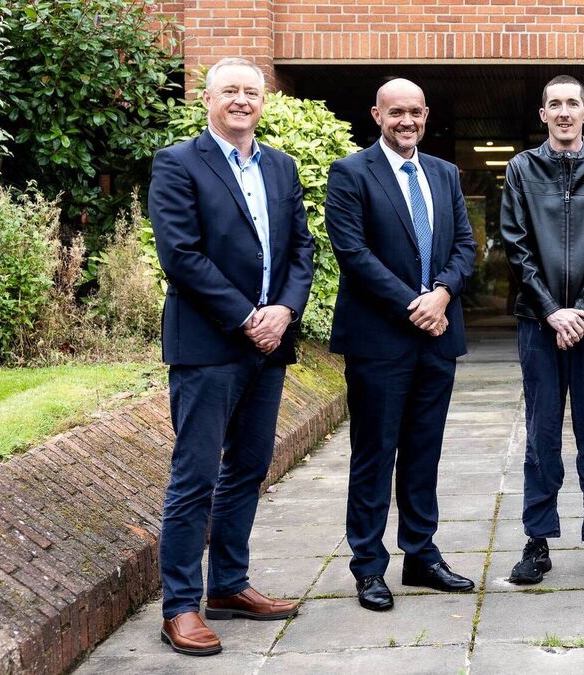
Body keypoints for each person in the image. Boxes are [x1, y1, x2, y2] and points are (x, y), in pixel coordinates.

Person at [148, 57, 314, 656]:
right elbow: (181, 255)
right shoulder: (177, 163)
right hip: (210, 344)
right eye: (230, 91)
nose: (242, 100)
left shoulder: (281, 166)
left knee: (248, 467)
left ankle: (228, 585)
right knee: (195, 475)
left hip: (270, 344)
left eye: (252, 92)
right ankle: (180, 606)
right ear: (208, 99)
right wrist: (248, 317)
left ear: (263, 102)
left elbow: (301, 249)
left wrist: (284, 310)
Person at [325, 78, 477, 612]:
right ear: (377, 115)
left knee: (423, 452)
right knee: (374, 454)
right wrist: (416, 304)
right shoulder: (350, 173)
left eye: (415, 112)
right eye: (396, 113)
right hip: (380, 340)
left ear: (426, 114)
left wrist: (442, 294)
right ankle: (369, 566)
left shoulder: (444, 173)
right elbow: (353, 253)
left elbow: (465, 244)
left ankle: (420, 555)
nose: (406, 121)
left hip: (437, 339)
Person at [499, 75, 584, 585]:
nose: (563, 112)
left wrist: (581, 311)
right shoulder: (521, 168)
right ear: (543, 114)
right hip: (539, 322)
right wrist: (553, 311)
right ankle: (537, 541)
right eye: (554, 104)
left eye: (572, 103)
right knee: (542, 433)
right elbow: (516, 245)